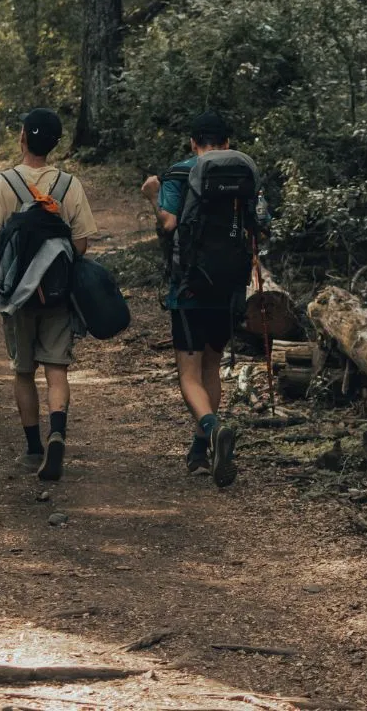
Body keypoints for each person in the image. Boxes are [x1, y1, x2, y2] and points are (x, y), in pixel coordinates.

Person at [0, 108, 97, 481]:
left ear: (22, 138)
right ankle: (57, 432)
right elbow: (82, 243)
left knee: (23, 371)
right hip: (57, 294)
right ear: (55, 144)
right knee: (56, 369)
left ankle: (33, 448)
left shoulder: (2, 184)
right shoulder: (70, 186)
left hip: (15, 295)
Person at [141, 111, 265, 487]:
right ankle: (200, 449)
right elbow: (259, 224)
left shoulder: (179, 171)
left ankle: (211, 429)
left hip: (190, 286)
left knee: (189, 374)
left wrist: (152, 196)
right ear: (227, 143)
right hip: (229, 285)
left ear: (193, 143)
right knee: (212, 368)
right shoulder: (246, 171)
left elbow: (169, 224)